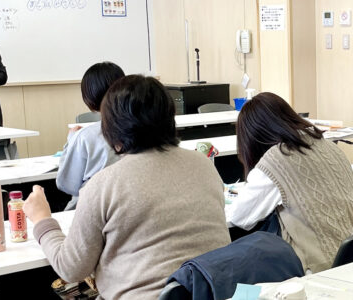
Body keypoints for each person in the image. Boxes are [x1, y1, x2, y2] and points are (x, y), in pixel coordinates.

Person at [23, 75, 231, 299]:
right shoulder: (203, 164)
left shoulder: (103, 185)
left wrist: (42, 220)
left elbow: (72, 268)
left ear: (111, 129)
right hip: (212, 293)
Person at [226, 92, 353, 273]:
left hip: (318, 266)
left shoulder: (276, 159)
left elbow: (240, 217)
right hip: (348, 257)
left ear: (253, 136)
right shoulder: (328, 145)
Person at [56, 62, 125, 210]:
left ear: (89, 95)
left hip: (89, 209)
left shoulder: (85, 137)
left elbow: (67, 184)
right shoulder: (143, 131)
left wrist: (71, 142)